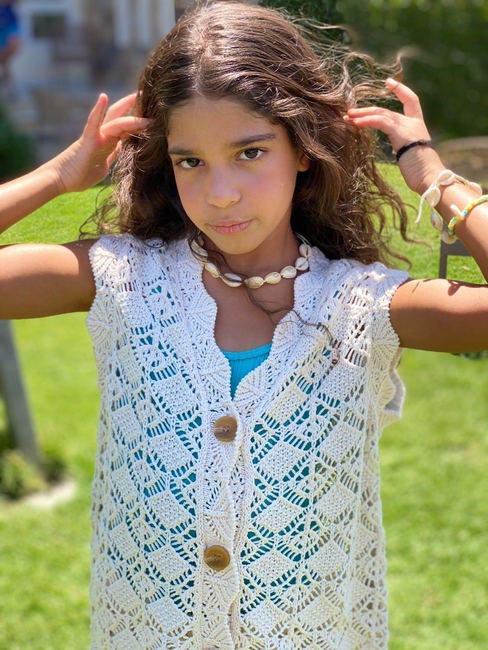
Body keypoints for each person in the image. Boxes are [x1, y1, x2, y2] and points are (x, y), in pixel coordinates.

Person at [0, 2, 487, 648]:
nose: (220, 193)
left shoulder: (360, 308)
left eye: (249, 152)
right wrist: (58, 176)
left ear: (304, 148)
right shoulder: (124, 279)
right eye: (190, 161)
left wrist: (435, 176)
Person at [0, 0, 20, 84]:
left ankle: (8, 81)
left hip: (8, 26)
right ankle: (8, 81)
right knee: (5, 62)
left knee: (11, 48)